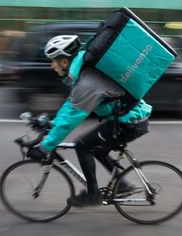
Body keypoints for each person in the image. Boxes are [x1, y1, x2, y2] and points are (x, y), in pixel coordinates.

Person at [27, 35, 152, 207]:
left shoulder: (88, 82)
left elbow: (71, 119)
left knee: (83, 145)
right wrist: (52, 124)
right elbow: (71, 104)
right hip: (128, 119)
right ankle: (122, 185)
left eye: (53, 61)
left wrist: (44, 148)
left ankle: (93, 194)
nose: (51, 65)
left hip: (130, 122)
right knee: (97, 149)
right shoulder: (83, 73)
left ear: (64, 61)